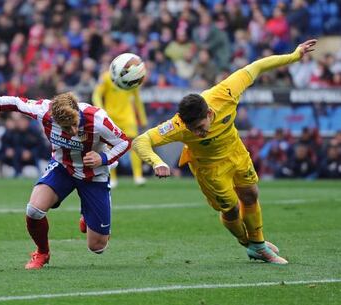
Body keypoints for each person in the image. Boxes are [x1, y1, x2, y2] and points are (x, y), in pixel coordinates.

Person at [132, 39, 318, 265]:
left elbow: (256, 66)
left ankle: (258, 245)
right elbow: (141, 141)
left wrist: (294, 55)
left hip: (235, 152)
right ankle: (249, 244)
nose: (198, 134)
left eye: (200, 128)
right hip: (210, 170)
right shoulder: (178, 125)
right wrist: (156, 162)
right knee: (230, 211)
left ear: (209, 114)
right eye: (193, 130)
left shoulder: (226, 93)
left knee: (251, 194)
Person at [0, 92, 131, 269]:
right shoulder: (44, 111)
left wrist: (103, 158)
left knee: (97, 247)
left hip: (94, 174)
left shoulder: (97, 119)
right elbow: (14, 103)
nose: (72, 131)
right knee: (33, 210)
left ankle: (88, 214)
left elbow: (124, 142)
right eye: (66, 128)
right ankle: (42, 253)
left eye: (74, 125)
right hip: (63, 167)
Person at [93, 70, 147, 188]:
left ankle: (138, 176)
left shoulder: (132, 78)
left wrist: (142, 118)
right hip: (111, 117)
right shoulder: (106, 77)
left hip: (128, 117)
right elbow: (96, 94)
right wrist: (100, 110)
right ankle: (112, 177)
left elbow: (137, 99)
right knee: (109, 146)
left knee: (133, 144)